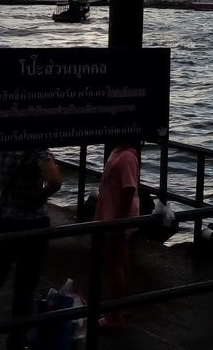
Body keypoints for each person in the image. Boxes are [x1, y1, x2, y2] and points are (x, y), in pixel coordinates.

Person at [0, 147, 62, 350]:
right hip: (33, 224)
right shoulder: (36, 150)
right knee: (24, 289)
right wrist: (39, 196)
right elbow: (55, 180)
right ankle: (16, 342)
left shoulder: (1, 147)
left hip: (4, 220)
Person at [88, 141, 141, 332]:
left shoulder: (127, 156)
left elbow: (128, 189)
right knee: (122, 260)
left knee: (115, 263)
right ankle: (123, 305)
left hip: (118, 219)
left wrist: (118, 222)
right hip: (112, 216)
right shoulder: (117, 151)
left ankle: (115, 316)